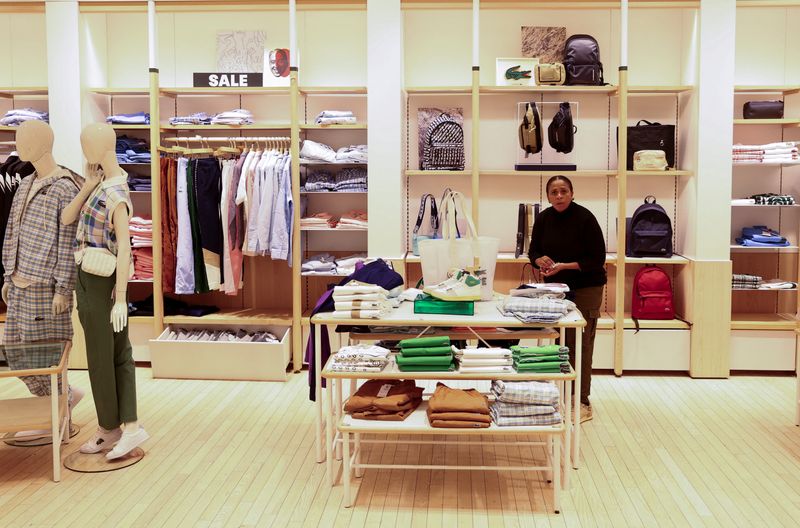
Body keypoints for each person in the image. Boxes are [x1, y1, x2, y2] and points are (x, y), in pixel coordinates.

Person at [62, 123, 149, 459]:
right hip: (91, 278)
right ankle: (122, 426)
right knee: (114, 355)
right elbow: (68, 218)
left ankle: (113, 427)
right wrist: (87, 185)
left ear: (102, 147)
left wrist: (123, 297)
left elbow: (126, 249)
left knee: (105, 357)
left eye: (87, 145)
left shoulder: (116, 195)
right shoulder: (103, 187)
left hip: (101, 281)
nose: (85, 151)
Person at [1, 120, 84, 440]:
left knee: (46, 354)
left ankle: (56, 414)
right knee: (13, 351)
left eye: (25, 139)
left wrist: (64, 287)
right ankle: (59, 400)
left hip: (45, 286)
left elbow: (68, 240)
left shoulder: (64, 187)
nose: (19, 144)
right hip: (19, 282)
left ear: (43, 143)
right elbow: (13, 231)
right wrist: (8, 274)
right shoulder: (25, 183)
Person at [528, 175, 607, 422]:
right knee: (561, 342)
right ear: (548, 196)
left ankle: (582, 401)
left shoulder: (585, 218)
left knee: (581, 344)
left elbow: (597, 259)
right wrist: (539, 260)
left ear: (572, 193)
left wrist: (564, 266)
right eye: (554, 192)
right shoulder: (543, 218)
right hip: (556, 289)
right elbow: (534, 251)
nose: (559, 196)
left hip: (586, 287)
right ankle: (563, 393)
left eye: (563, 191)